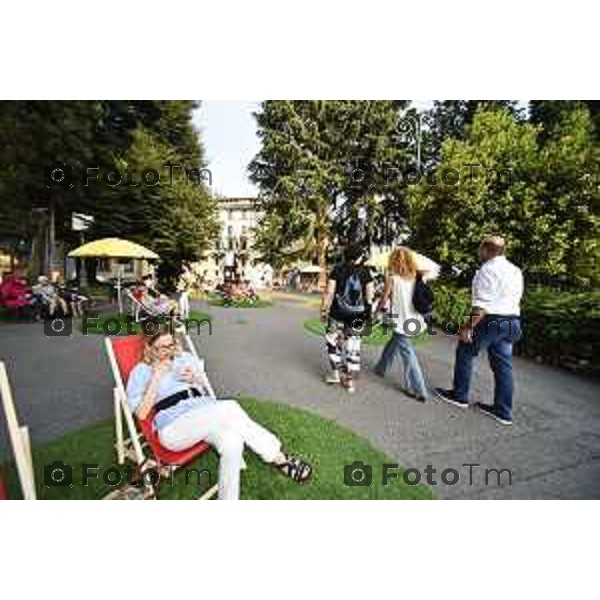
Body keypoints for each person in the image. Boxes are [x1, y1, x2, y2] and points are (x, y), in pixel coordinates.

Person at [126, 327, 313, 500]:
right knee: (229, 408)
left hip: (204, 413)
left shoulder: (184, 358)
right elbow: (142, 414)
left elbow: (201, 383)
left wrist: (195, 379)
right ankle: (279, 458)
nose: (168, 350)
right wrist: (156, 377)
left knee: (232, 442)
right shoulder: (141, 372)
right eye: (162, 347)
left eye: (171, 344)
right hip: (174, 428)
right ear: (149, 348)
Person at [435, 235, 523, 425]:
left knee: (466, 350)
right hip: (512, 322)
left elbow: (481, 306)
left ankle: (459, 396)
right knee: (503, 367)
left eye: (480, 248)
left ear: (487, 249)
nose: (478, 252)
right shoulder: (515, 270)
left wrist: (468, 327)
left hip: (492, 321)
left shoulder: (487, 270)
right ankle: (503, 410)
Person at [373, 247, 431, 402]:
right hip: (415, 320)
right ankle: (381, 368)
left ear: (393, 261)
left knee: (408, 354)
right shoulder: (417, 277)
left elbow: (384, 299)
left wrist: (375, 313)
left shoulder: (392, 278)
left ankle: (418, 389)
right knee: (394, 342)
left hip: (401, 321)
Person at [320, 244, 374, 393]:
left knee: (333, 343)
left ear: (345, 256)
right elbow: (370, 296)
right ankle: (350, 382)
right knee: (353, 348)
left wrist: (323, 310)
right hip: (357, 316)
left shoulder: (337, 270)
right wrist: (369, 315)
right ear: (359, 257)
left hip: (336, 314)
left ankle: (335, 374)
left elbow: (329, 293)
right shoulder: (366, 272)